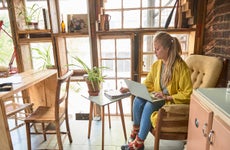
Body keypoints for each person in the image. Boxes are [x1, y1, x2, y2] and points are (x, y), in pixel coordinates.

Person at [120, 31, 193, 150]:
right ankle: (136, 132)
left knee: (149, 105)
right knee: (138, 100)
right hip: (158, 97)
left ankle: (138, 142)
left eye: (157, 49)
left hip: (170, 100)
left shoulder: (181, 67)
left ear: (167, 48)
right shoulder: (157, 65)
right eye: (154, 48)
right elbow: (148, 84)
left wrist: (166, 97)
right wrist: (130, 89)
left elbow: (188, 93)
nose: (155, 52)